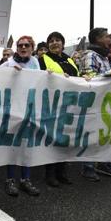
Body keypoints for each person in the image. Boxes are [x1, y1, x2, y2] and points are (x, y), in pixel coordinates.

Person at [78, 27, 111, 181]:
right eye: (106, 36)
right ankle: (88, 166)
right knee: (91, 134)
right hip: (91, 103)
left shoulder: (104, 57)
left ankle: (104, 163)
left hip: (104, 102)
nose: (109, 39)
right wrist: (110, 73)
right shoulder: (90, 55)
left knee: (103, 132)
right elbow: (88, 76)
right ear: (98, 39)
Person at [0, 36, 40, 197]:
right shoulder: (8, 64)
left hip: (29, 110)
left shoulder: (35, 62)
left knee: (26, 147)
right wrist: (9, 74)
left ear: (32, 48)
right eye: (20, 45)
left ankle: (25, 180)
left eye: (26, 45)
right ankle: (10, 180)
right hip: (13, 111)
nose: (23, 47)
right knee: (13, 147)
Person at [38, 31, 77, 187]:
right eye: (51, 41)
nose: (55, 43)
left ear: (62, 43)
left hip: (70, 104)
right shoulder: (42, 59)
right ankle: (50, 174)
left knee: (66, 139)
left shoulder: (70, 60)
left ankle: (62, 172)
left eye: (58, 40)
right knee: (53, 139)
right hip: (52, 104)